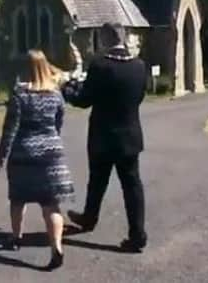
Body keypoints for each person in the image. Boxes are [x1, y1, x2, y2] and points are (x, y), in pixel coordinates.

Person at [62, 22, 148, 253]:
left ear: (105, 39)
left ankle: (89, 218)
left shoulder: (100, 66)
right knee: (132, 186)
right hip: (130, 135)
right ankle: (137, 235)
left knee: (97, 181)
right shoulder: (139, 66)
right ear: (122, 38)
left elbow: (83, 100)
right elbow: (140, 96)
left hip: (103, 135)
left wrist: (67, 89)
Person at [0, 50, 74, 270]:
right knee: (51, 204)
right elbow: (59, 122)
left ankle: (16, 237)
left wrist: (2, 153)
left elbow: (10, 129)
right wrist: (51, 139)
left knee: (18, 198)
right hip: (51, 152)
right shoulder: (56, 95)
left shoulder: (19, 96)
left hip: (24, 152)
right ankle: (56, 246)